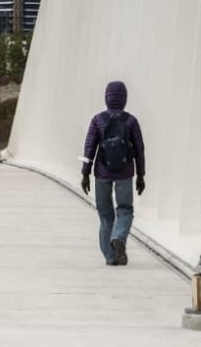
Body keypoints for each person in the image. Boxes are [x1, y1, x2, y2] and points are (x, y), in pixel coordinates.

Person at [81, 80, 145, 266]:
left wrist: (85, 173)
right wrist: (141, 174)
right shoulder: (131, 121)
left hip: (102, 172)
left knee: (105, 214)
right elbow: (139, 149)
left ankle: (111, 256)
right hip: (124, 173)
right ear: (124, 99)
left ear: (107, 98)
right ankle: (119, 237)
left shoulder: (98, 120)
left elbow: (89, 147)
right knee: (125, 209)